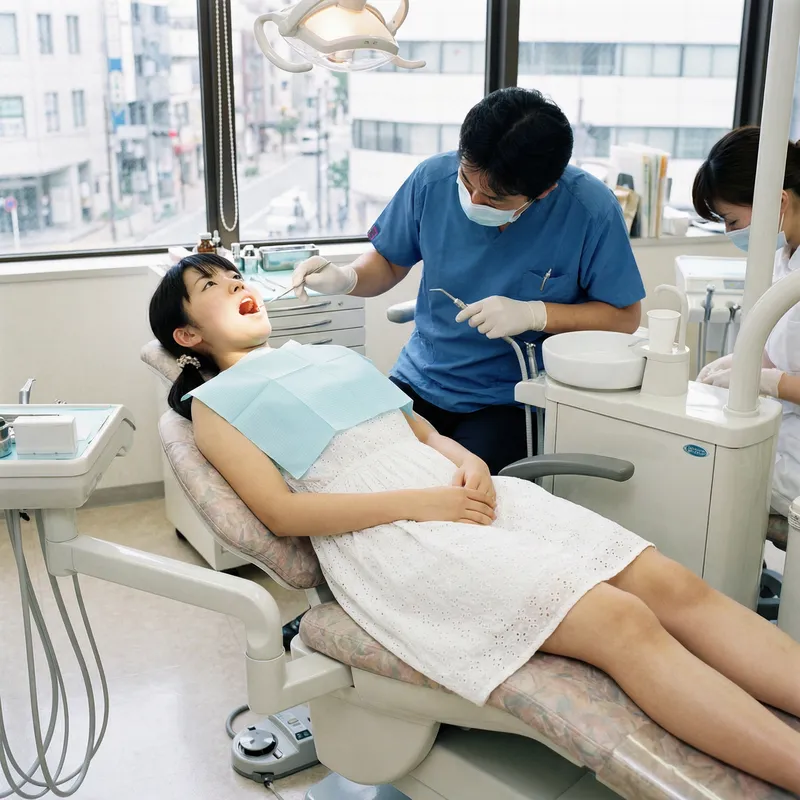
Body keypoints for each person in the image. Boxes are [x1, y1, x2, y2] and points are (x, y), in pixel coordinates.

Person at [148, 254, 800, 793]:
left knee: (669, 585)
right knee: (619, 621)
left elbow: (423, 432)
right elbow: (284, 515)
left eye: (235, 275)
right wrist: (423, 504)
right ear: (187, 336)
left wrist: (471, 464)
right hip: (392, 540)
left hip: (464, 496)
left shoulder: (328, 356)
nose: (235, 284)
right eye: (211, 285)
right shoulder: (217, 405)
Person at [290, 88, 645, 476]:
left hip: (508, 399)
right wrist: (347, 278)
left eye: (493, 199)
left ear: (544, 191)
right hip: (420, 378)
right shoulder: (432, 180)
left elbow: (623, 316)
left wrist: (536, 314)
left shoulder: (589, 210)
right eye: (466, 180)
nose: (473, 200)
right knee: (364, 472)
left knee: (457, 492)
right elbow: (389, 262)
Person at [692, 125, 800, 550]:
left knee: (715, 476)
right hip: (786, 433)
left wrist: (770, 382)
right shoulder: (784, 258)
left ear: (779, 202)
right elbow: (784, 348)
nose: (728, 233)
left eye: (731, 221)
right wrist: (750, 364)